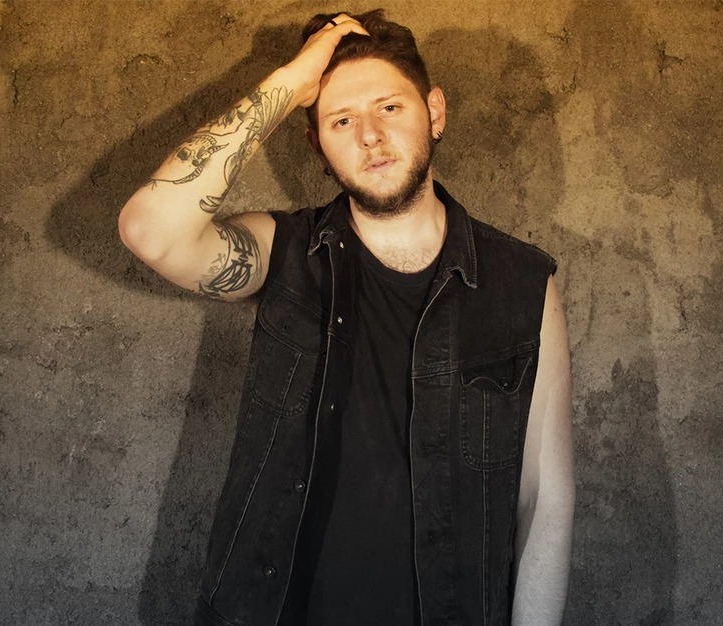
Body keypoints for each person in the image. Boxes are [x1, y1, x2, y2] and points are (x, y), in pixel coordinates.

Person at [119, 9, 574, 626]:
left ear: (435, 111)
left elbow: (545, 500)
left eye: (389, 107)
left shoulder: (523, 284)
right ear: (316, 145)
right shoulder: (283, 254)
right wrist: (291, 83)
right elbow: (149, 229)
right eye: (341, 120)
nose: (369, 136)